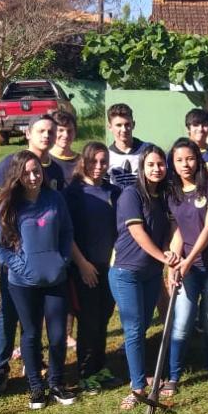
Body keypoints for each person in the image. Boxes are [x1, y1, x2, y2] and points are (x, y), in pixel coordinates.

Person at [0, 114, 66, 395]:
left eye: (51, 131)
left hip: (47, 260)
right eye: (41, 131)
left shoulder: (54, 170)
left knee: (38, 319)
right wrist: (14, 251)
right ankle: (0, 368)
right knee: (9, 312)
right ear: (28, 133)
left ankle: (34, 363)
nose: (47, 136)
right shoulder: (11, 163)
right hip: (17, 258)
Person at [0, 149, 76, 410]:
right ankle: (36, 387)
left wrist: (61, 260)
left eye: (36, 171)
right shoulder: (9, 205)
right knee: (30, 334)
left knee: (58, 334)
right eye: (27, 173)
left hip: (55, 279)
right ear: (18, 176)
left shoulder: (55, 199)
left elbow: (67, 232)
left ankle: (57, 382)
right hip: (22, 283)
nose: (32, 177)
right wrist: (20, 266)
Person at [109, 145, 179, 410]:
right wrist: (164, 257)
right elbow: (137, 233)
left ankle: (144, 375)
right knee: (134, 329)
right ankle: (137, 386)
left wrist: (170, 257)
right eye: (151, 164)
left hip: (151, 273)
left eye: (160, 164)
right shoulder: (131, 194)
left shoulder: (163, 196)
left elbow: (172, 227)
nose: (156, 169)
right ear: (142, 167)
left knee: (144, 326)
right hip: (126, 272)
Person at [164, 138, 208, 395]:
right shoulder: (173, 193)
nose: (185, 164)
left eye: (190, 158)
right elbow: (180, 231)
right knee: (182, 320)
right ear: (173, 162)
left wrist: (187, 260)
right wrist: (173, 262)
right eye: (179, 160)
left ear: (199, 160)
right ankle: (173, 374)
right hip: (187, 265)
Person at [64, 142, 121, 395]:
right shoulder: (73, 193)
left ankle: (100, 367)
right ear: (84, 162)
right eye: (93, 161)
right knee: (88, 320)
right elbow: (67, 234)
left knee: (104, 317)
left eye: (103, 161)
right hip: (85, 267)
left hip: (109, 266)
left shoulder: (113, 191)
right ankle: (85, 372)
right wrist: (82, 264)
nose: (98, 167)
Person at [49, 109, 80, 351]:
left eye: (69, 131)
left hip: (78, 230)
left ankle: (68, 333)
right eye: (60, 131)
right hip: (50, 233)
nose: (65, 135)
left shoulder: (81, 161)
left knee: (73, 285)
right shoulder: (46, 162)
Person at [106, 103, 151, 190]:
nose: (124, 129)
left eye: (127, 124)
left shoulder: (148, 150)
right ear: (110, 127)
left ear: (133, 124)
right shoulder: (106, 156)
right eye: (118, 125)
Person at [185, 108, 208, 180]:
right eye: (195, 125)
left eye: (204, 125)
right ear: (188, 129)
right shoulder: (178, 153)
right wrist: (207, 176)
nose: (200, 129)